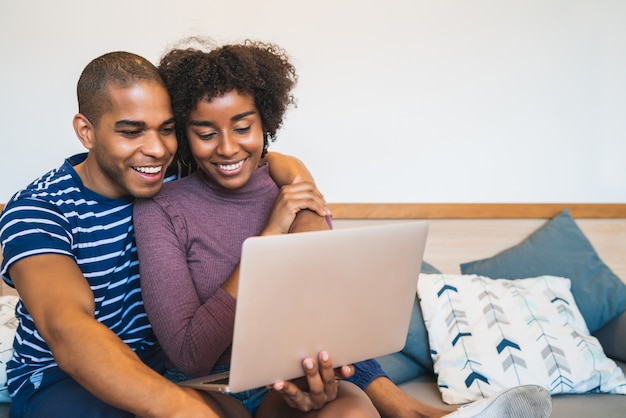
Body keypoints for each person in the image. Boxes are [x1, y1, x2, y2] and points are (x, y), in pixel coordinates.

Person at [132, 38, 552, 418]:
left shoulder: (293, 188)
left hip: (290, 376)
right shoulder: (162, 210)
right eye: (206, 133)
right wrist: (269, 238)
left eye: (243, 128)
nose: (227, 147)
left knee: (352, 412)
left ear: (266, 122)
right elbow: (190, 354)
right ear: (183, 135)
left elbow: (328, 312)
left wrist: (328, 368)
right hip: (209, 389)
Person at [0, 50, 338, 418]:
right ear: (87, 131)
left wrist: (296, 177)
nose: (157, 149)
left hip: (163, 365)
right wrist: (182, 410)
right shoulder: (39, 209)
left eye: (166, 129)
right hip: (60, 378)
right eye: (131, 132)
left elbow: (256, 157)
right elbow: (67, 328)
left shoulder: (172, 171)